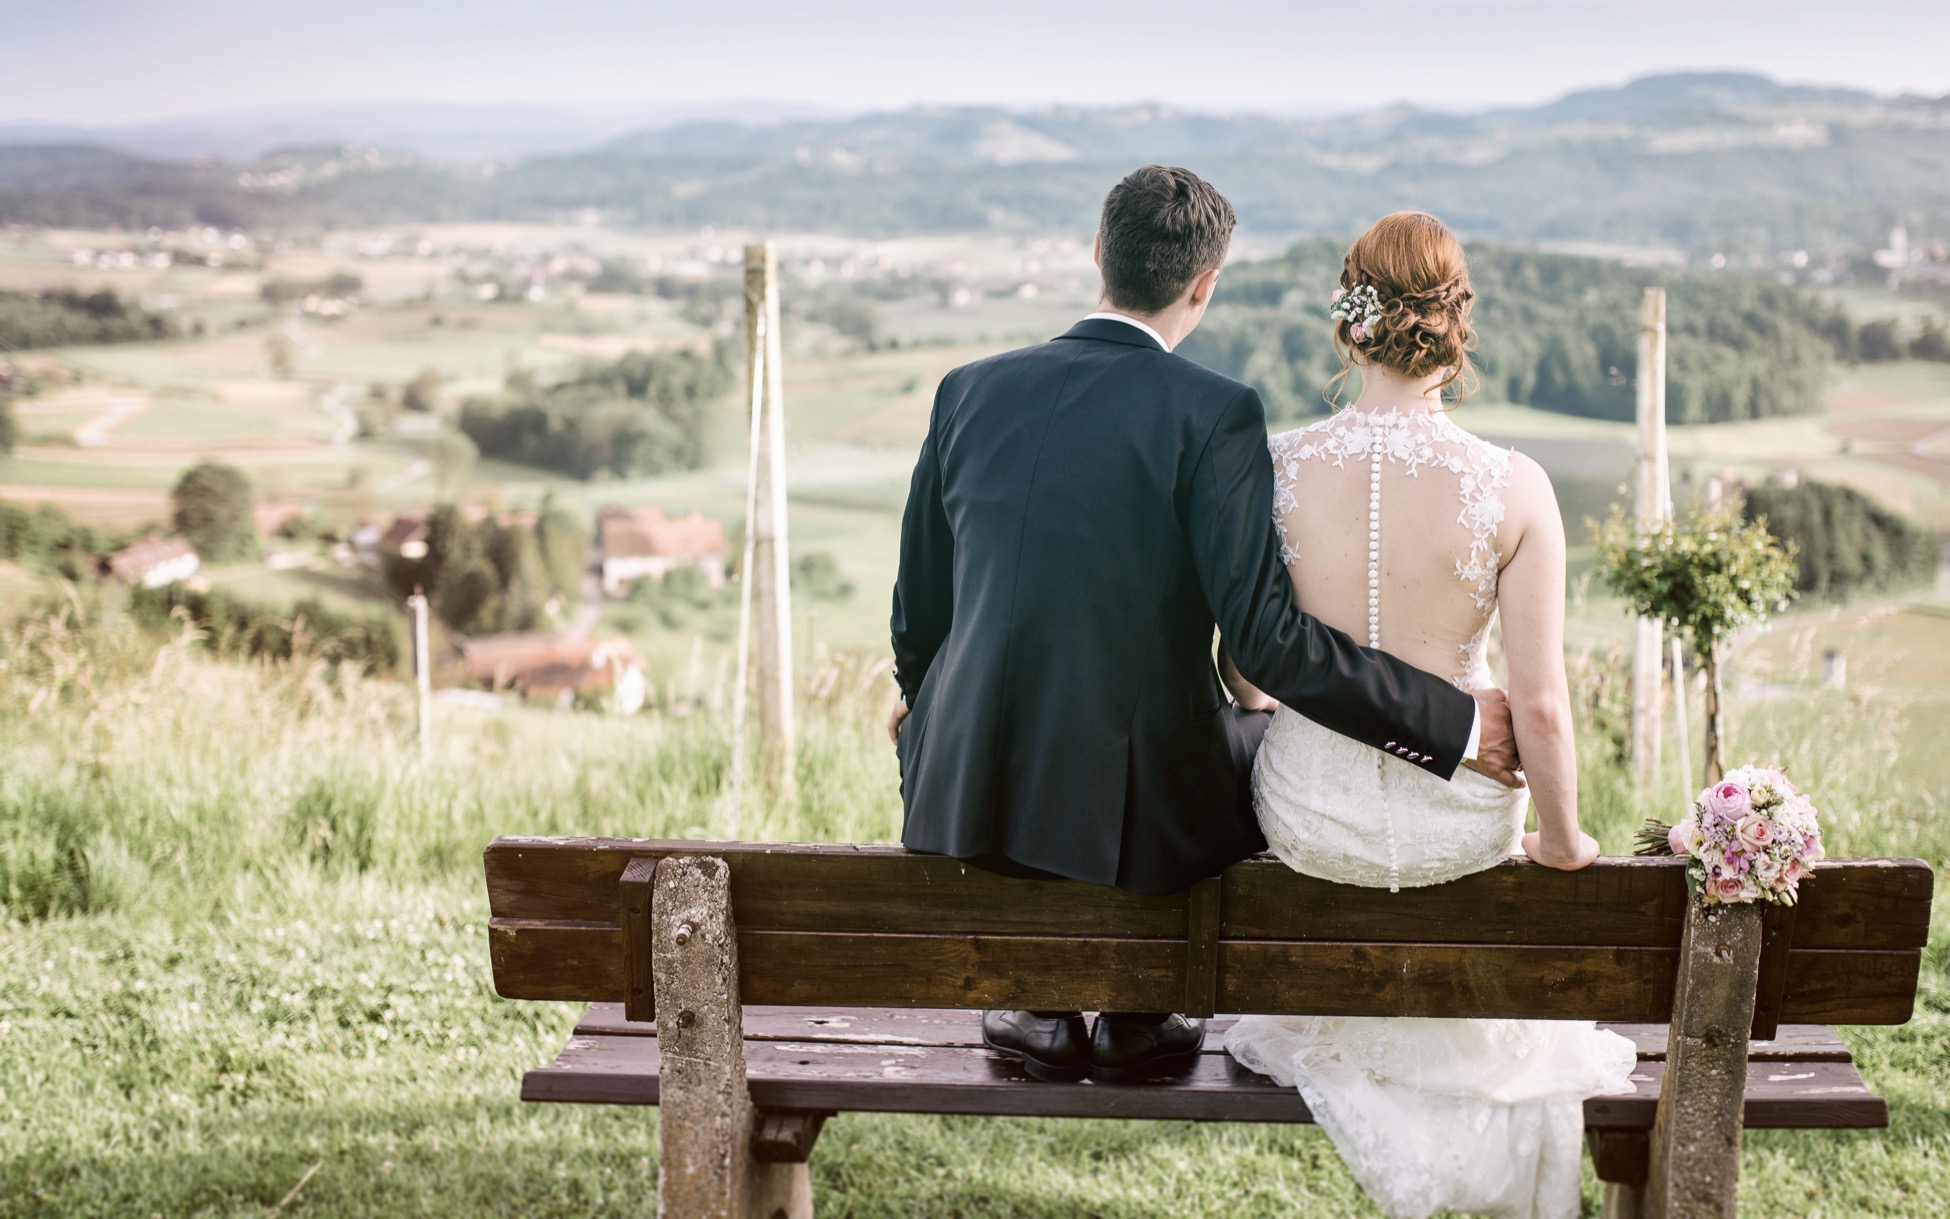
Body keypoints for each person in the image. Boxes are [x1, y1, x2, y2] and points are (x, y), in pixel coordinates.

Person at [887, 167, 1520, 1085]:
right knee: (1252, 738)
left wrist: (923, 708)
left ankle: (1037, 1003)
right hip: (1131, 802)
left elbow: (919, 609)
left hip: (968, 773)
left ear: (1099, 251)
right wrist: (1454, 723)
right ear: (1205, 284)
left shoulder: (966, 390)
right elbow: (1264, 645)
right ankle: (1143, 1010)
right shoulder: (1214, 412)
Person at [1220, 211, 1634, 1219]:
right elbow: (1535, 700)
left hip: (1311, 826)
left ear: (1348, 322)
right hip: (1462, 827)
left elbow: (1245, 674)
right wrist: (1566, 840)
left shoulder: (1267, 468)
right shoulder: (1515, 487)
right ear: (1455, 325)